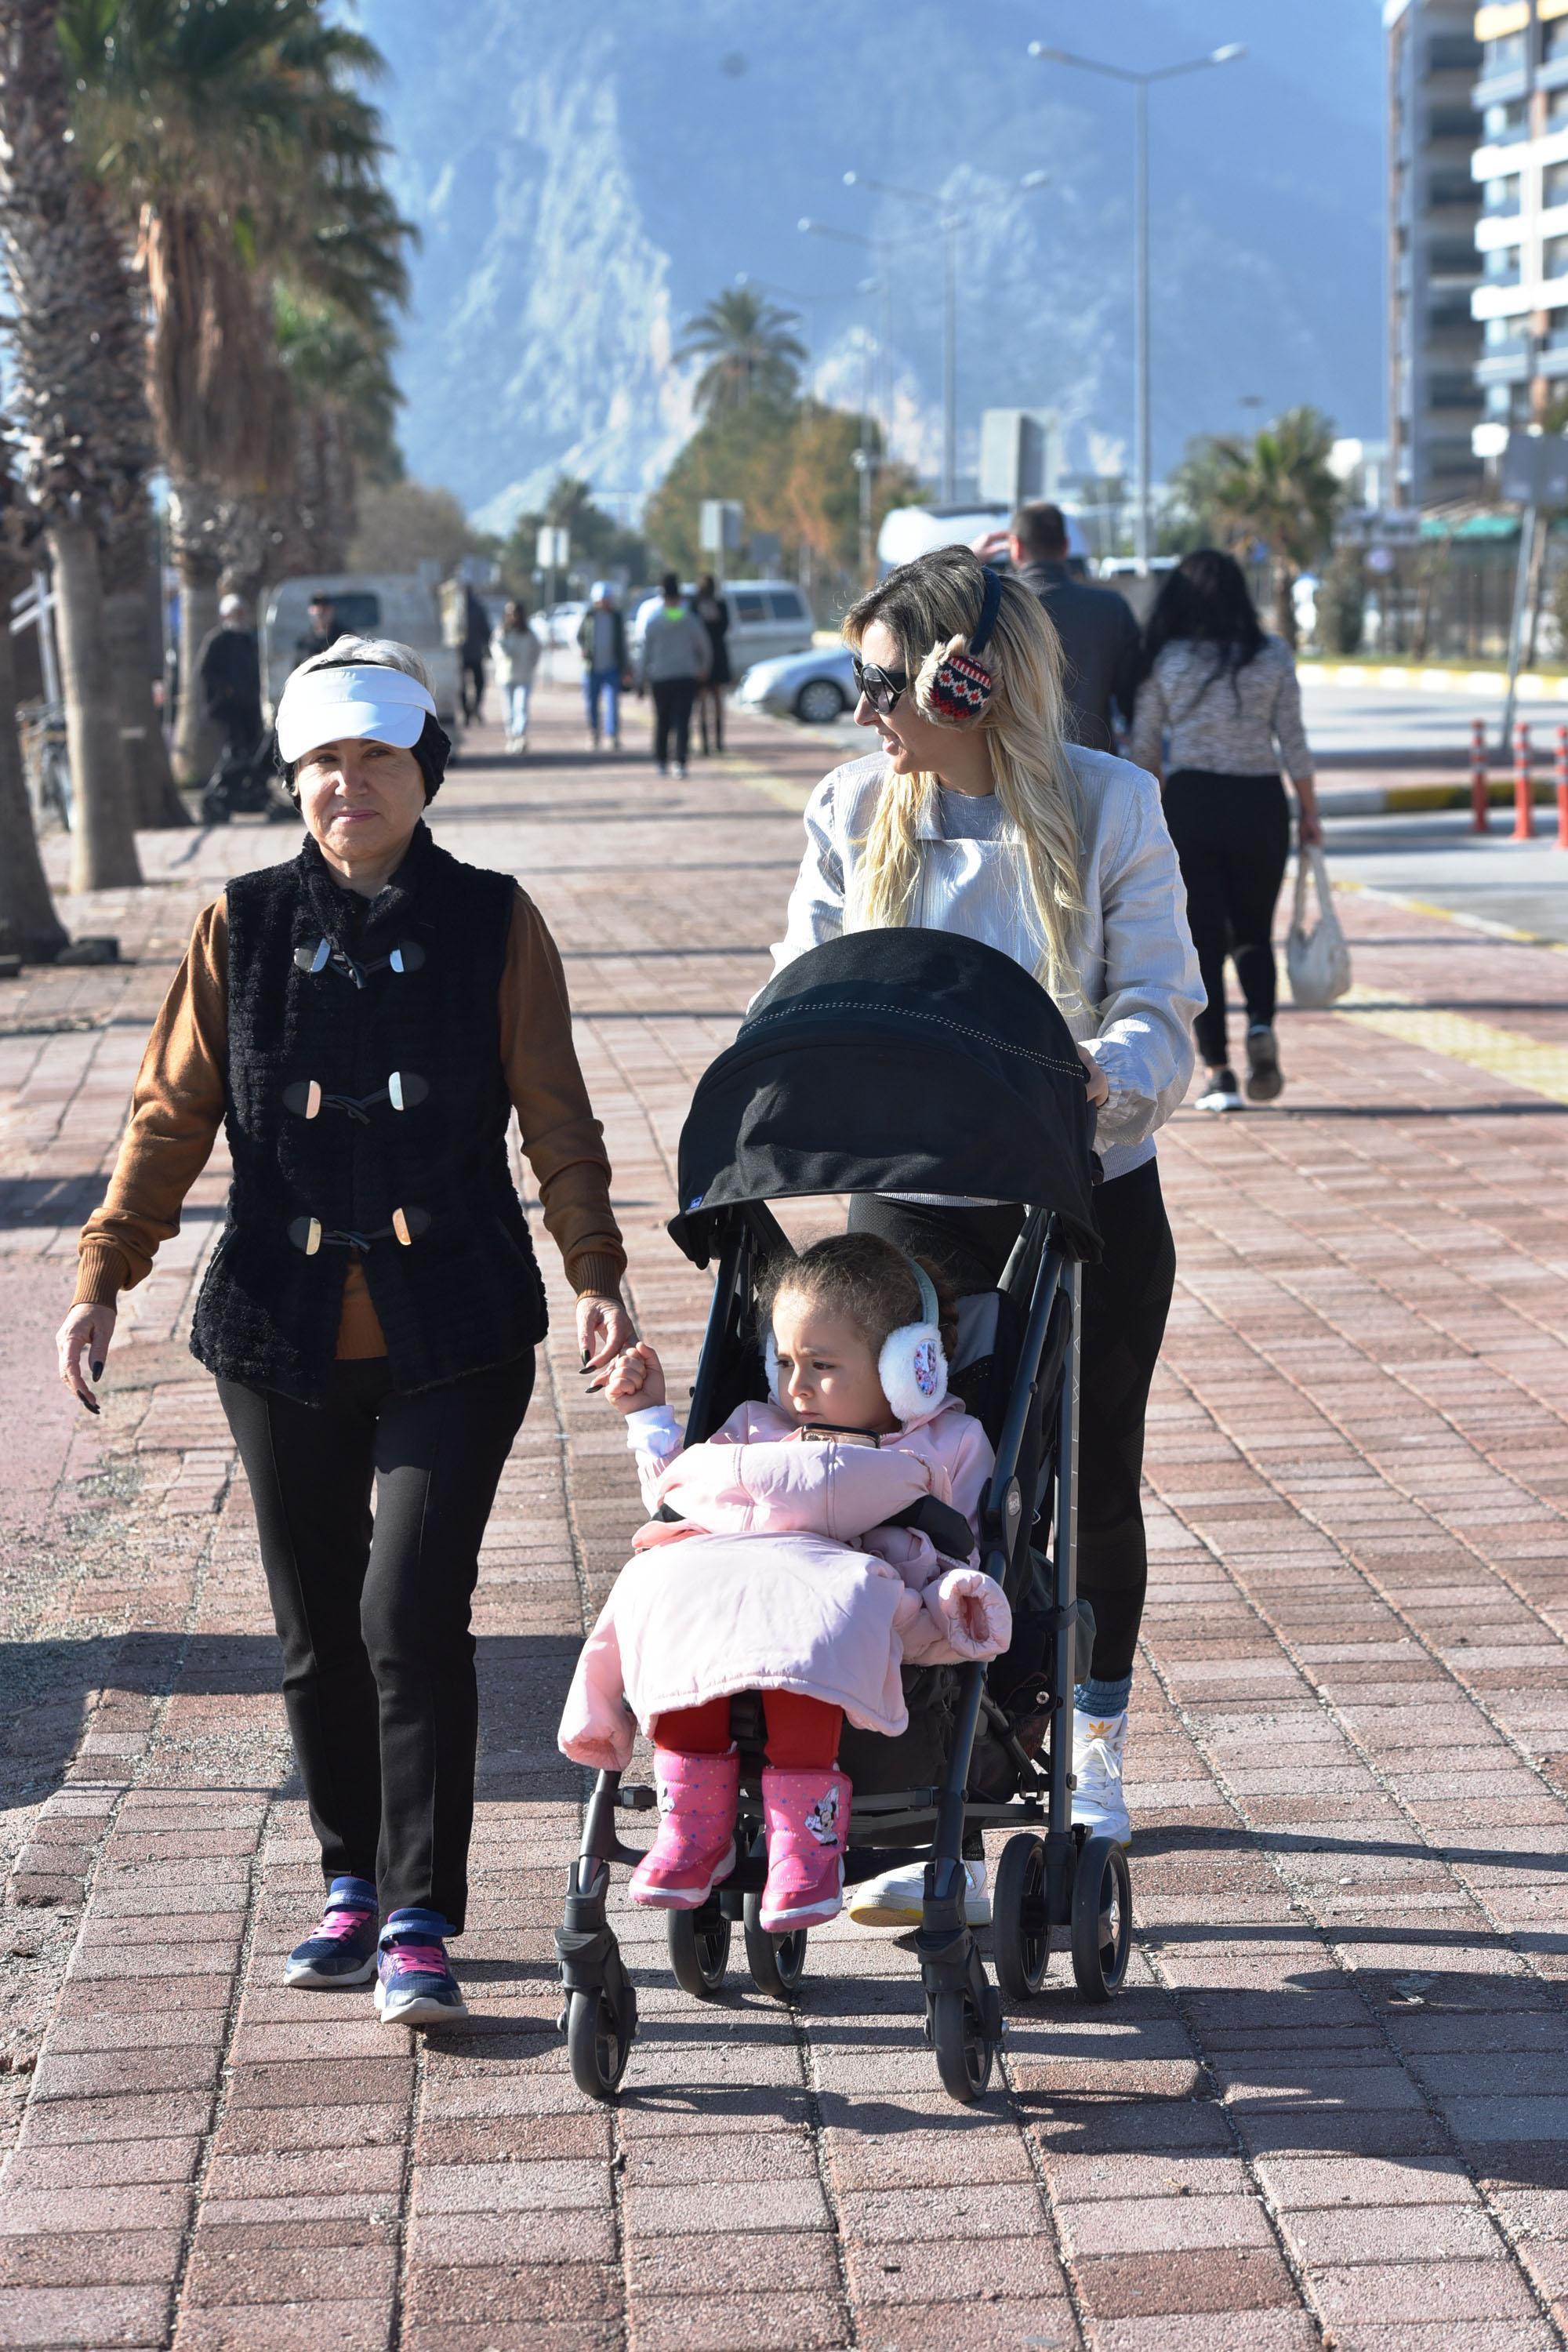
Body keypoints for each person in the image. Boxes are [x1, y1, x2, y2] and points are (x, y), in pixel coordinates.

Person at [56, 637, 634, 2028]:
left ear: (422, 771)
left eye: (375, 756)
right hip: (278, 1319)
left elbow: (556, 1116)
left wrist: (595, 1271)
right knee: (316, 1628)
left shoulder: (498, 920)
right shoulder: (235, 927)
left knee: (410, 1608)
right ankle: (352, 1887)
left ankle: (425, 1912)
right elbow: (170, 1114)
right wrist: (105, 1267)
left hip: (461, 1322)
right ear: (294, 779)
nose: (347, 783)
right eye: (322, 760)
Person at [770, 546, 1202, 1904]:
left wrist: (1104, 1075)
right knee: (909, 1495)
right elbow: (797, 984)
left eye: (884, 682)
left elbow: (1163, 1008)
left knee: (1084, 1480)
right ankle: (920, 1788)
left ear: (972, 681)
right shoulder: (852, 809)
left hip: (1083, 1200)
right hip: (903, 1216)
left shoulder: (1108, 803)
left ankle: (1089, 1743)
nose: (865, 712)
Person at [558, 1234, 1010, 1931]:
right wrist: (649, 1416)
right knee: (673, 1588)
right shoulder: (758, 1426)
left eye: (822, 1366)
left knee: (817, 1613)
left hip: (844, 1636)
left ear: (907, 1369)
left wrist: (951, 1590)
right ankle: (694, 1831)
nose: (797, 1387)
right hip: (730, 1620)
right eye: (787, 1361)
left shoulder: (948, 1443)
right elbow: (683, 1505)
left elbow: (965, 1554)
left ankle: (806, 1843)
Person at [1127, 550, 1323, 1114]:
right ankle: (1261, 1023)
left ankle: (1219, 1073)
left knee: (1202, 941)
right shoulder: (1273, 655)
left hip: (1193, 804)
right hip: (1260, 802)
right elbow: (1295, 743)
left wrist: (1150, 816)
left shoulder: (1166, 660)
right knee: (1255, 933)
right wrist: (1310, 812)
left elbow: (1144, 750)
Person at [974, 503, 1141, 753]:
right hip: (1096, 765)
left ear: (1016, 547)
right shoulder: (1112, 608)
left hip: (1015, 768)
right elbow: (1134, 695)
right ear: (1065, 546)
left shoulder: (991, 608)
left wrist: (966, 561)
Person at [638, 572, 710, 777]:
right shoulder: (689, 619)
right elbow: (704, 647)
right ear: (679, 597)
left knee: (662, 720)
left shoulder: (654, 620)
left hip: (660, 677)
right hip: (686, 676)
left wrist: (640, 679)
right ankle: (680, 761)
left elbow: (644, 653)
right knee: (683, 721)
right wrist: (703, 667)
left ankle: (661, 761)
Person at [197, 593, 265, 786]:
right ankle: (224, 784)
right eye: (235, 613)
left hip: (248, 706)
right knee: (234, 748)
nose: (239, 617)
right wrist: (225, 690)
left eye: (241, 613)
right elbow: (206, 671)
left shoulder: (247, 639)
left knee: (253, 748)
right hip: (227, 708)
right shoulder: (217, 640)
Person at [577, 583, 629, 751]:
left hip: (611, 667)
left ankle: (612, 735)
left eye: (607, 600)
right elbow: (579, 637)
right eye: (601, 600)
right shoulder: (589, 616)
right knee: (591, 703)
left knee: (612, 702)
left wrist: (626, 666)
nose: (604, 603)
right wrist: (583, 650)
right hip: (592, 668)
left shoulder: (616, 618)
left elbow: (622, 644)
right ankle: (593, 733)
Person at [492, 598, 541, 754]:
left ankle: (520, 736)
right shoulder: (502, 632)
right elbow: (496, 649)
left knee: (521, 708)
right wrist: (504, 654)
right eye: (509, 613)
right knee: (509, 710)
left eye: (515, 613)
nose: (513, 616)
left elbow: (536, 651)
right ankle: (511, 737)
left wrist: (530, 665)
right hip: (506, 677)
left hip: (524, 676)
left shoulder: (529, 634)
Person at [691, 572, 732, 756]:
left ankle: (718, 741)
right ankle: (705, 742)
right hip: (701, 657)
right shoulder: (694, 606)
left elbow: (725, 626)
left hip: (717, 656)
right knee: (702, 702)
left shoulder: (720, 605)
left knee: (716, 700)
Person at [461, 586, 490, 724]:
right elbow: (486, 631)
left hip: (460, 654)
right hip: (475, 653)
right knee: (480, 683)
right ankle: (475, 707)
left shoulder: (454, 610)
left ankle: (467, 711)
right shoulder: (478, 608)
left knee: (462, 685)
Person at [295, 592, 338, 665]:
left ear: (331, 610)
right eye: (316, 607)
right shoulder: (304, 641)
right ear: (310, 611)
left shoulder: (343, 636)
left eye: (324, 608)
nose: (320, 611)